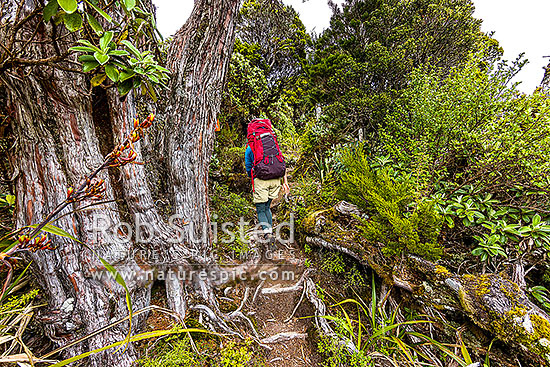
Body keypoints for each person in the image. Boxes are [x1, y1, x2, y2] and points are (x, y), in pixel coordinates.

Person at [245, 137, 290, 243]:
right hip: (275, 179)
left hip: (261, 180)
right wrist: (285, 182)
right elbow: (281, 162)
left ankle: (267, 234)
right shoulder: (272, 145)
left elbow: (248, 166)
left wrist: (252, 176)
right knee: (267, 207)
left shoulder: (251, 147)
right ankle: (270, 232)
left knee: (260, 209)